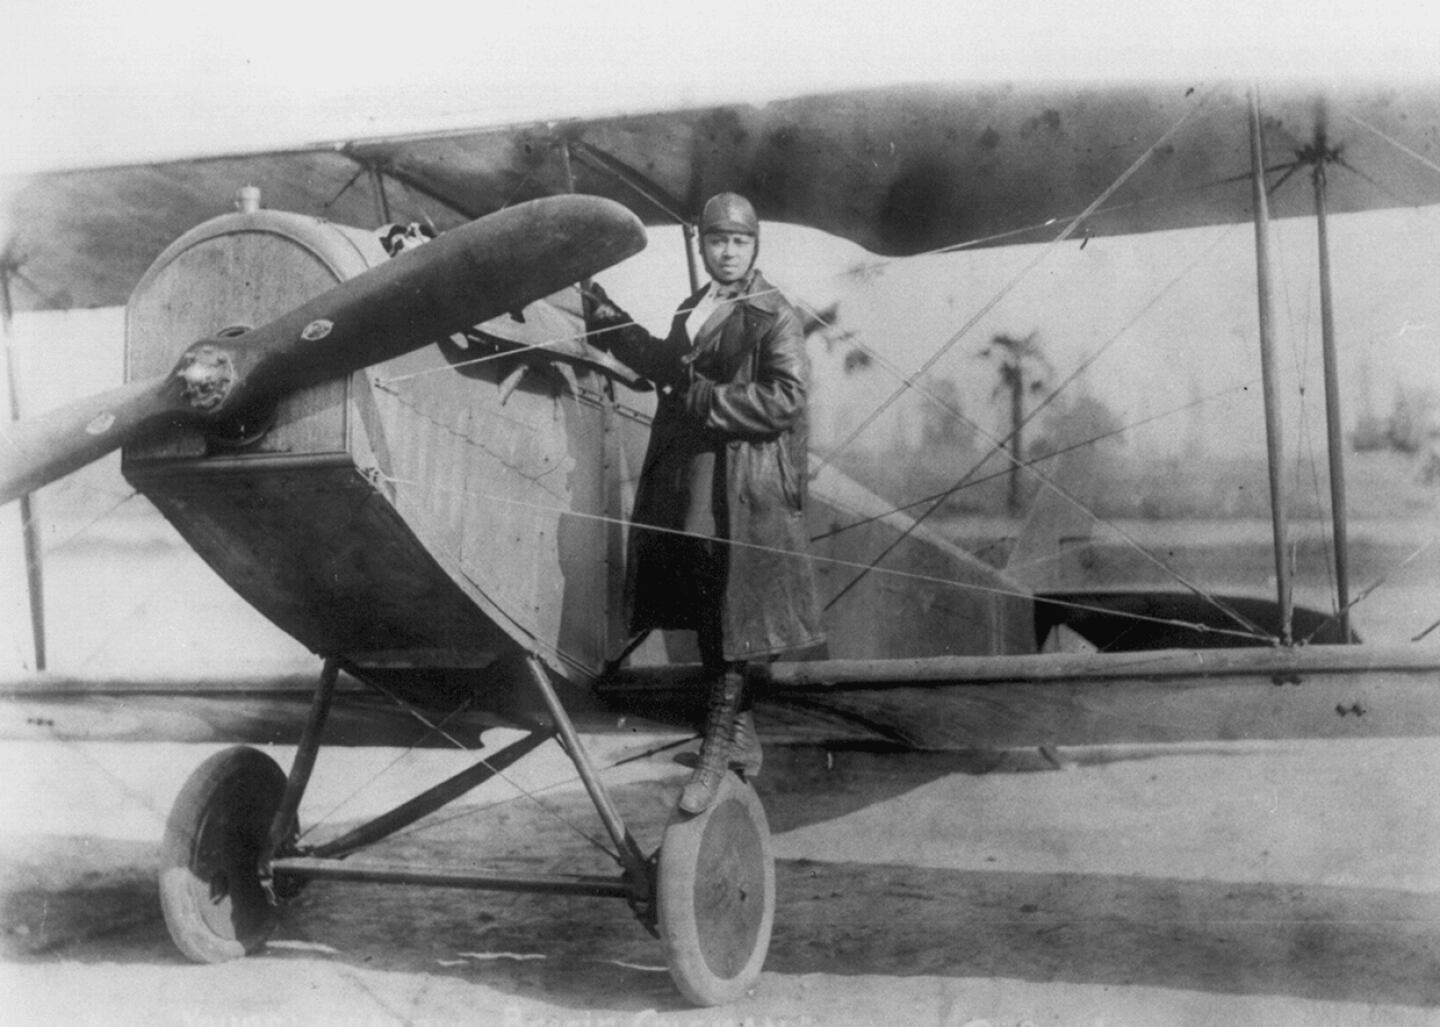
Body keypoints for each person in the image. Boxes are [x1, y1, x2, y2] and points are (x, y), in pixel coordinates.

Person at [584, 192, 825, 814]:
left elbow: (787, 398)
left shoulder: (774, 314)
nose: (728, 251)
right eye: (718, 241)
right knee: (704, 599)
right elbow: (667, 365)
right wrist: (607, 319)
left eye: (739, 242)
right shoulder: (695, 306)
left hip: (740, 483)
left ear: (754, 246)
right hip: (693, 473)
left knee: (729, 610)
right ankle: (737, 737)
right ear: (703, 245)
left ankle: (718, 747)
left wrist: (711, 401)